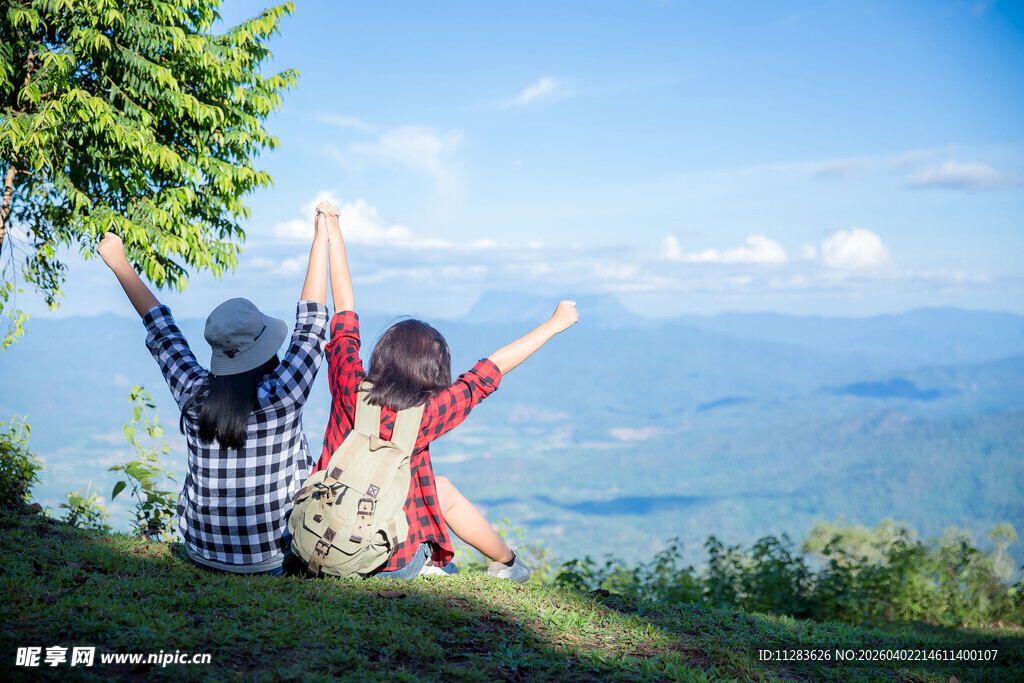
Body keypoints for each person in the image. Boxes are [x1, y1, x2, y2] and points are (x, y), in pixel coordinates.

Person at [314, 200, 578, 582]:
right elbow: (489, 370)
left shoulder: (348, 385)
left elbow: (344, 310)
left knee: (432, 487)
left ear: (382, 353)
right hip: (389, 563)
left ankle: (503, 564)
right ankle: (507, 565)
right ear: (433, 371)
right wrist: (554, 325)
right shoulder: (429, 411)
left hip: (321, 543)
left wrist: (332, 233)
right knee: (443, 491)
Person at [97, 214, 330, 576]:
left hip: (202, 552)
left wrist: (119, 262)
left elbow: (162, 330)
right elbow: (311, 327)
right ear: (265, 348)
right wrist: (321, 239)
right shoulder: (283, 395)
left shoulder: (194, 395)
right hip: (272, 558)